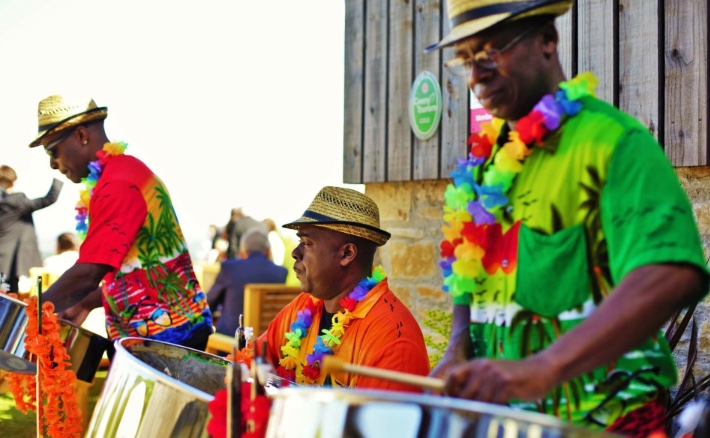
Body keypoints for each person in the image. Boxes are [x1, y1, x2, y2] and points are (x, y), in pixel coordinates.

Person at [426, 0, 709, 435]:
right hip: (508, 424)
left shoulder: (614, 143)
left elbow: (670, 273)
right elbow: (468, 277)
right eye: (465, 58)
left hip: (606, 422)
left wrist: (545, 367)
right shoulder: (482, 169)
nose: (476, 74)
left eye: (491, 51)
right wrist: (458, 344)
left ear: (547, 40)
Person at [28, 95, 212, 351]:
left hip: (166, 337)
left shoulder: (117, 184)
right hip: (160, 333)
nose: (52, 164)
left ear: (81, 135)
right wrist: (84, 304)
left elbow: (90, 272)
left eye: (53, 151)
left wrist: (29, 314)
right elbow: (136, 270)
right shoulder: (123, 172)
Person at [257, 186, 430, 392]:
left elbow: (375, 423)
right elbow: (254, 359)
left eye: (307, 243)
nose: (295, 252)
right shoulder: (306, 306)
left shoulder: (393, 339)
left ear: (347, 253)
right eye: (299, 241)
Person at [207, 228, 288, 337]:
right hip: (266, 345)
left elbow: (209, 304)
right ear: (267, 251)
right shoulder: (281, 273)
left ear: (242, 251)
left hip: (230, 344)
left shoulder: (230, 268)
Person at [0, 165, 63, 292]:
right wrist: (60, 172)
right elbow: (49, 199)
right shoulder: (16, 201)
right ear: (13, 182)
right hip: (8, 264)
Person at [262, 218, 299, 286]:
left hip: (287, 283)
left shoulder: (274, 238)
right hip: (296, 281)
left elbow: (277, 263)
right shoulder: (289, 239)